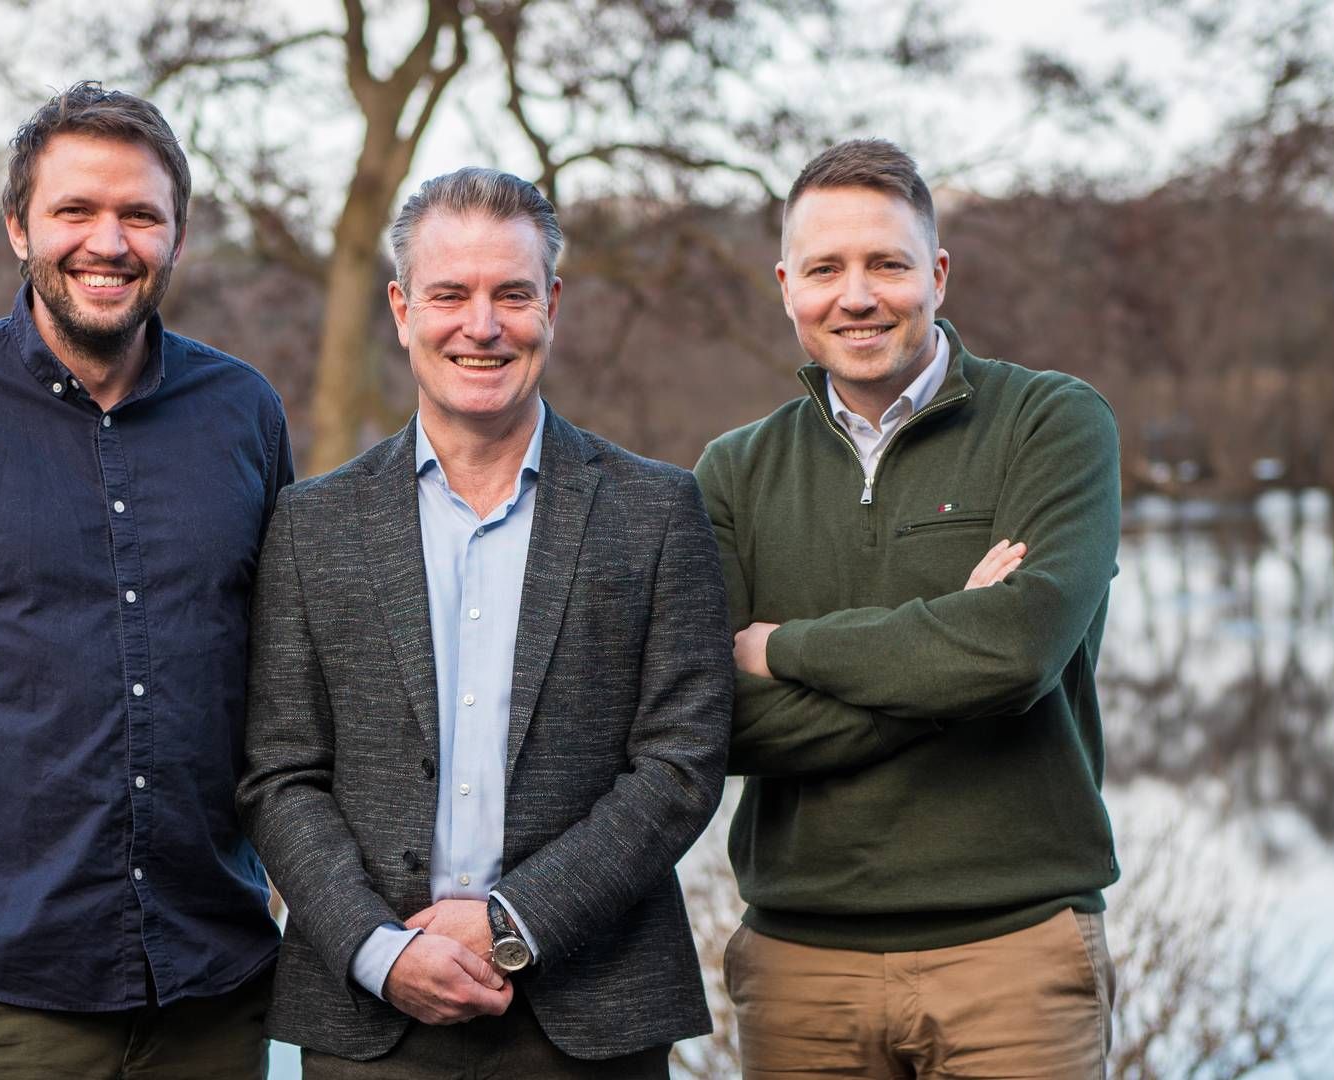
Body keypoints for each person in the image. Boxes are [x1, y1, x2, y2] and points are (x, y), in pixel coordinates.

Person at [0, 81, 289, 1079]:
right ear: (18, 227)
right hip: (0, 998)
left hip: (212, 984)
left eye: (139, 214)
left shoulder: (243, 412)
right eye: (75, 210)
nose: (107, 242)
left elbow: (276, 678)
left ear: (177, 233)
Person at [238, 167, 732, 1077]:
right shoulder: (313, 525)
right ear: (400, 307)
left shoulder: (656, 512)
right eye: (450, 293)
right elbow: (280, 774)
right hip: (369, 1020)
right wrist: (379, 950)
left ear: (553, 302)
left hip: (590, 1018)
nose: (482, 324)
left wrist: (516, 921)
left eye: (511, 292)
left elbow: (680, 763)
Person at [696, 138, 1121, 1078]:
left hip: (1014, 956)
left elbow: (1013, 656)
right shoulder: (732, 472)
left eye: (887, 263)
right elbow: (714, 722)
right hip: (801, 969)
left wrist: (783, 648)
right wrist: (945, 649)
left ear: (936, 273)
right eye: (825, 269)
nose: (857, 295)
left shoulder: (1053, 424)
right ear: (785, 286)